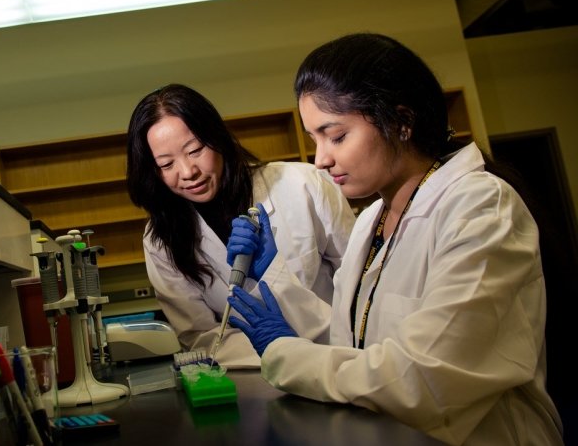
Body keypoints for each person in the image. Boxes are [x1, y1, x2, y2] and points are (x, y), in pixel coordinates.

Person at [225, 33, 564, 445]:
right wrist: (277, 279)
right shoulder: (371, 221)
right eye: (315, 139)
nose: (321, 159)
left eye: (336, 136)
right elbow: (354, 343)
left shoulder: (481, 206)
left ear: (401, 121)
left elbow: (422, 377)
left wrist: (284, 352)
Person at [126, 83, 355, 368]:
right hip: (255, 375)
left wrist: (309, 347)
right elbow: (201, 336)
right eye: (166, 164)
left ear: (218, 139)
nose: (187, 172)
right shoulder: (161, 239)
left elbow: (360, 285)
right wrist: (275, 348)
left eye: (195, 150)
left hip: (342, 358)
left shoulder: (304, 185)